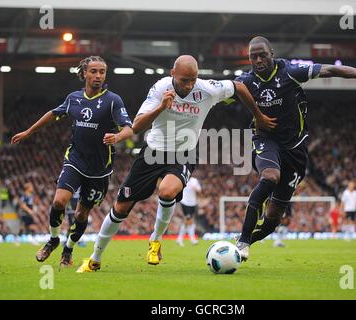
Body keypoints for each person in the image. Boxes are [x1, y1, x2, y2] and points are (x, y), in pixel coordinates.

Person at [77, 54, 276, 272]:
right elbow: (137, 125)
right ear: (173, 74)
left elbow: (238, 87)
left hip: (184, 152)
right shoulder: (160, 88)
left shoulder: (208, 89)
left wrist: (257, 115)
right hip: (153, 151)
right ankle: (95, 258)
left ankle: (155, 240)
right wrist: (162, 107)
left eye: (193, 79)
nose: (190, 85)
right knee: (121, 208)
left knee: (167, 191)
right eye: (184, 80)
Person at [234, 36, 356, 260]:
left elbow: (331, 69)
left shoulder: (290, 70)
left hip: (296, 150)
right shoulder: (246, 80)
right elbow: (222, 91)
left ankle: (244, 241)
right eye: (253, 56)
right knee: (270, 176)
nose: (258, 60)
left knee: (273, 219)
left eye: (262, 54)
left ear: (272, 53)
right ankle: (243, 240)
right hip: (266, 140)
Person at [11, 56, 133, 266]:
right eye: (93, 71)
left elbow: (129, 128)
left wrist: (117, 137)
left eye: (102, 72)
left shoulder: (113, 100)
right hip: (75, 159)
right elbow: (53, 113)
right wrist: (29, 131)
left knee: (81, 214)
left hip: (99, 170)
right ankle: (53, 240)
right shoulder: (74, 98)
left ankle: (68, 249)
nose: (98, 76)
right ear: (84, 73)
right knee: (59, 201)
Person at [176, 176, 201, 246]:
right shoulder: (183, 178)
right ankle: (192, 239)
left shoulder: (195, 180)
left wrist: (195, 188)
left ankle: (179, 238)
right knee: (189, 220)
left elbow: (199, 190)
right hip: (185, 202)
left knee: (187, 221)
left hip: (193, 203)